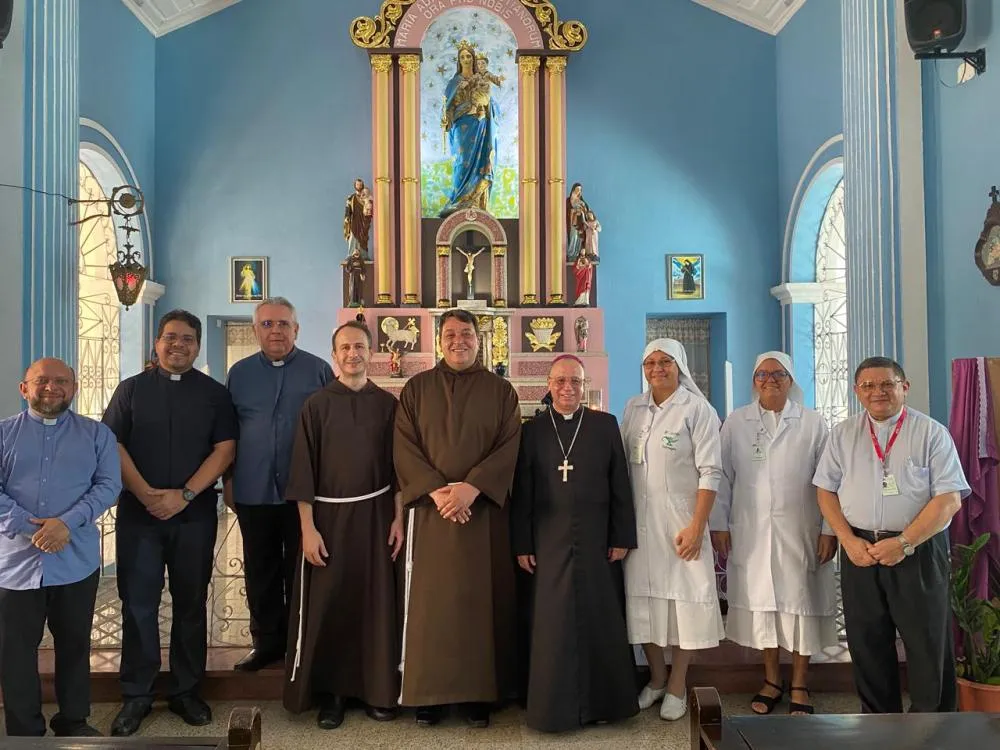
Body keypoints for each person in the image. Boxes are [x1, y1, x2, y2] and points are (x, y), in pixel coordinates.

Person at [103, 310, 238, 737]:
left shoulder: (215, 394)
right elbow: (113, 444)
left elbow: (225, 449)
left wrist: (184, 496)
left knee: (190, 603)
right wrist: (145, 493)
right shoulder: (131, 390)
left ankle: (185, 691)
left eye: (187, 339)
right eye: (170, 337)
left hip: (193, 514)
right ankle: (137, 695)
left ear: (197, 346)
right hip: (138, 514)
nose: (178, 344)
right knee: (138, 604)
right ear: (157, 343)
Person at [814, 356, 970, 714]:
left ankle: (932, 728)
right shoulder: (843, 434)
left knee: (927, 643)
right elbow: (825, 490)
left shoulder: (930, 433)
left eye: (887, 384)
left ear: (904, 387)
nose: (878, 392)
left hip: (917, 550)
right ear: (857, 391)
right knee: (866, 642)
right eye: (868, 385)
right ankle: (878, 725)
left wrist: (904, 543)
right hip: (860, 550)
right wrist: (847, 540)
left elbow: (948, 500)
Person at [393, 308, 521, 728]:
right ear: (439, 340)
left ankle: (477, 695)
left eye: (466, 334)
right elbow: (404, 445)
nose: (458, 341)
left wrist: (472, 488)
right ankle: (428, 694)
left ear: (479, 339)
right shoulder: (416, 389)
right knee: (432, 606)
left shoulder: (501, 391)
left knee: (478, 605)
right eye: (449, 334)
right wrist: (437, 491)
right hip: (432, 515)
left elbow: (509, 445)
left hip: (481, 514)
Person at [282, 320, 403, 728]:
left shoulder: (387, 405)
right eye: (345, 348)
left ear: (372, 353)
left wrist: (398, 518)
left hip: (375, 517)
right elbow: (303, 471)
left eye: (360, 347)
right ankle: (332, 695)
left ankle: (377, 691)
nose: (353, 354)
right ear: (334, 355)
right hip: (329, 521)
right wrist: (308, 528)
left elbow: (398, 469)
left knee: (374, 604)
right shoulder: (316, 406)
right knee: (332, 605)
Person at [512, 354, 638, 732]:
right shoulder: (532, 431)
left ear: (585, 386)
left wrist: (621, 536)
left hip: (598, 539)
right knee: (553, 623)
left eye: (576, 382)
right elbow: (523, 491)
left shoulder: (604, 425)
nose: (568, 388)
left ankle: (605, 704)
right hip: (548, 541)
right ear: (548, 385)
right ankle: (554, 708)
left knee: (600, 617)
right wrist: (522, 543)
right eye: (561, 381)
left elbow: (620, 484)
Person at [710, 352, 837, 715]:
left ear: (790, 379)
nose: (770, 380)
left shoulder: (812, 423)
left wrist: (829, 529)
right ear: (754, 381)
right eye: (762, 374)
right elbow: (722, 477)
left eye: (778, 374)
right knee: (764, 607)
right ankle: (771, 681)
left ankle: (799, 684)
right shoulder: (737, 422)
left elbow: (829, 480)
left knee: (800, 605)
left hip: (802, 529)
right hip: (752, 531)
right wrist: (719, 523)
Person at [0, 358, 121, 737]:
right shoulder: (3, 434)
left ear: (74, 388)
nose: (51, 388)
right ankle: (24, 731)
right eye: (42, 381)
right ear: (24, 388)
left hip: (76, 561)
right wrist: (32, 528)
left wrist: (65, 524)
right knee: (15, 652)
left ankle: (73, 721)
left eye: (61, 381)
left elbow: (108, 486)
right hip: (14, 564)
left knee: (74, 645)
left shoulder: (97, 435)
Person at [225, 297, 333, 672]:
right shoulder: (239, 374)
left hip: (302, 492)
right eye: (268, 324)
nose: (276, 331)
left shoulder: (318, 370)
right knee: (260, 570)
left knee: (300, 570)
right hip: (253, 489)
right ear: (255, 330)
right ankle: (266, 644)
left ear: (296, 329)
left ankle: (301, 642)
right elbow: (227, 433)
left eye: (284, 324)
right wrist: (228, 481)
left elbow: (330, 430)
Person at [620, 338, 725, 721]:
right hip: (639, 526)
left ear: (679, 366)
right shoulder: (634, 408)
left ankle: (678, 684)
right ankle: (657, 678)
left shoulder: (697, 409)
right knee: (643, 605)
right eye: (650, 363)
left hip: (682, 525)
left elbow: (711, 472)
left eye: (665, 362)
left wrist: (697, 526)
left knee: (685, 609)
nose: (657, 369)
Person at [439, 42, 499, 215]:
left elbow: (491, 103)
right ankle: (459, 200)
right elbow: (447, 106)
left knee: (481, 161)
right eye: (462, 57)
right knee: (462, 161)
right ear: (458, 60)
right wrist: (445, 119)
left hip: (480, 125)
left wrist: (485, 105)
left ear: (473, 59)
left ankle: (477, 202)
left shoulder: (481, 79)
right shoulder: (454, 82)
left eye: (468, 56)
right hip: (461, 126)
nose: (466, 59)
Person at [344, 178, 372, 260]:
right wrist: (347, 217)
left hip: (363, 221)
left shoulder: (366, 197)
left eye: (360, 184)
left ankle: (364, 255)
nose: (359, 186)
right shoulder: (351, 197)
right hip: (354, 220)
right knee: (353, 237)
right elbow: (348, 208)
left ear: (362, 186)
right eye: (357, 184)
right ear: (355, 186)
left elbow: (369, 208)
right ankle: (351, 254)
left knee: (363, 237)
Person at [565, 183, 589, 261]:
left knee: (579, 239)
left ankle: (577, 254)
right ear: (573, 190)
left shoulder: (582, 202)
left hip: (580, 223)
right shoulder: (568, 201)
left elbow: (586, 212)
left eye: (580, 190)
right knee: (573, 237)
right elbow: (566, 211)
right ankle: (571, 254)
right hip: (572, 223)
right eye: (577, 189)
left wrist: (582, 211)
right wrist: (573, 211)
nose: (579, 191)